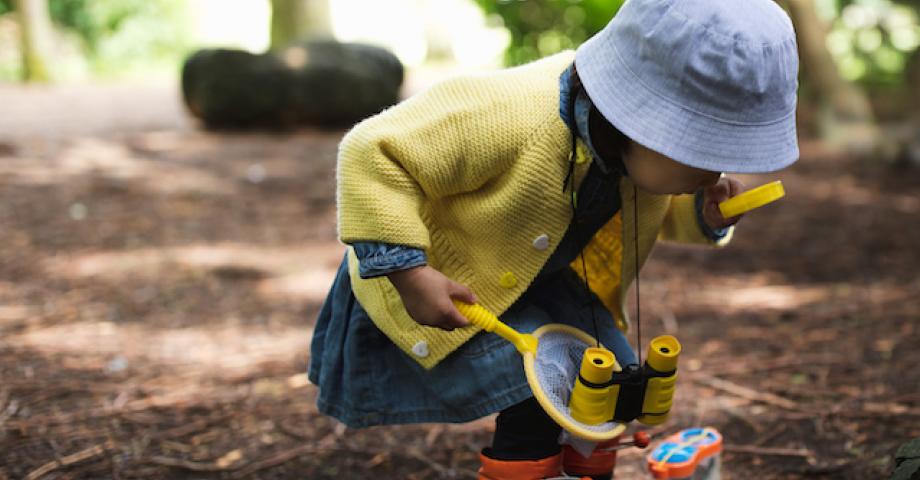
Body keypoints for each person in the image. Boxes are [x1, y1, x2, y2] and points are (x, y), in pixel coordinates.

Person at [308, 0, 799, 477]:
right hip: (449, 285)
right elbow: (371, 152)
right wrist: (409, 272)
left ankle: (586, 467)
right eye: (701, 151)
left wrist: (703, 214)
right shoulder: (507, 115)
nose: (713, 170)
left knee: (612, 383)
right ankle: (525, 468)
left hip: (549, 282)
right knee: (537, 395)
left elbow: (655, 209)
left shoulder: (628, 147)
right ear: (641, 120)